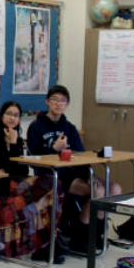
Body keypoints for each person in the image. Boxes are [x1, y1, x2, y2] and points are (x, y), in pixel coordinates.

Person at [27, 85, 121, 256]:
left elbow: (82, 154)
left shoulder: (69, 128)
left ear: (67, 104)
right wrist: (54, 148)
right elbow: (34, 158)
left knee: (114, 189)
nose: (58, 103)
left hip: (74, 173)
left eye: (63, 101)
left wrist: (88, 175)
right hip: (52, 175)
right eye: (54, 99)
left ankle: (96, 232)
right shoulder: (36, 127)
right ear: (47, 101)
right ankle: (81, 236)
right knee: (97, 192)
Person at [0, 101, 62, 261]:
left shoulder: (18, 139)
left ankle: (46, 242)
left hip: (16, 182)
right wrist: (12, 145)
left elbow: (22, 170)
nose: (13, 118)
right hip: (1, 186)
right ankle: (43, 244)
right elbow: (2, 169)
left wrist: (13, 147)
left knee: (53, 185)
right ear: (2, 116)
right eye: (9, 114)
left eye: (16, 115)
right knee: (44, 191)